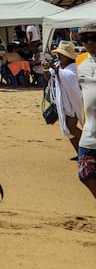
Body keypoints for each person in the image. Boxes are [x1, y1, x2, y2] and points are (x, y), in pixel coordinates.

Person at [73, 25, 96, 200]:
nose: (89, 42)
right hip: (89, 133)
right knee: (85, 174)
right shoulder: (80, 60)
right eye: (84, 38)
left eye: (94, 37)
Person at [49, 41, 83, 153]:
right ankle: (79, 152)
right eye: (59, 54)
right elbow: (49, 76)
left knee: (71, 127)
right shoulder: (58, 65)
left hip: (73, 101)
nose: (60, 56)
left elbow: (70, 77)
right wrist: (46, 68)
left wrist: (54, 68)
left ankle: (88, 147)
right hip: (63, 101)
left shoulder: (73, 67)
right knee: (68, 129)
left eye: (63, 54)